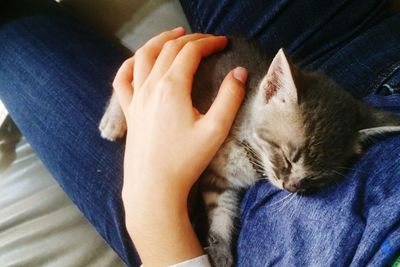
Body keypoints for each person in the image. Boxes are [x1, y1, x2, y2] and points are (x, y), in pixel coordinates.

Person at [0, 0, 399, 266]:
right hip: (373, 73)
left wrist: (151, 202)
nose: (290, 185)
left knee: (14, 41)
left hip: (210, 215)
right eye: (288, 167)